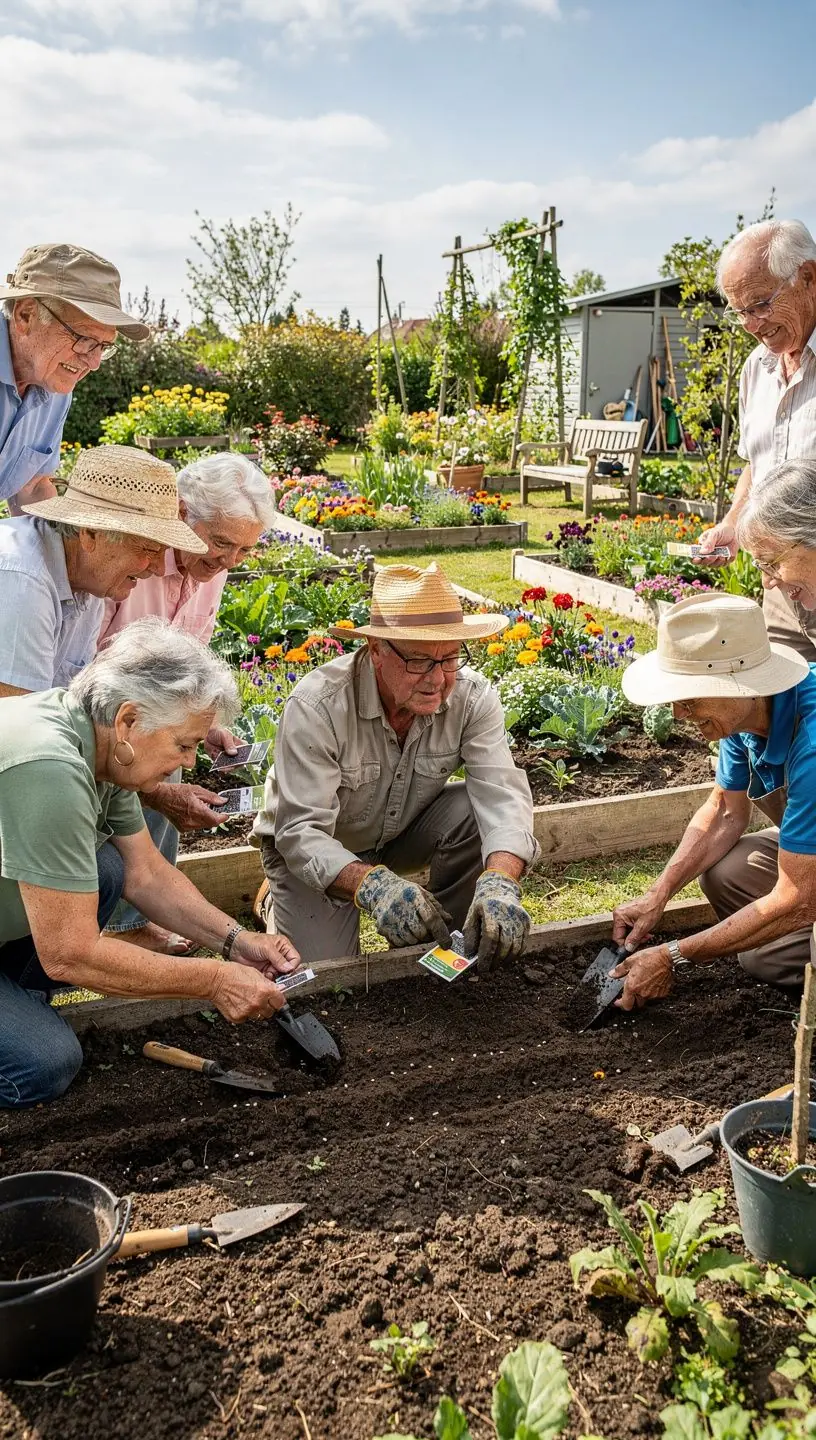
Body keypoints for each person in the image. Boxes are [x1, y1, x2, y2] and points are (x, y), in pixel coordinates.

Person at [0, 617, 300, 1109]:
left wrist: (236, 942)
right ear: (128, 720)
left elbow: (147, 873)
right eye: (183, 745)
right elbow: (69, 953)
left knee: (108, 868)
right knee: (44, 1063)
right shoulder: (50, 769)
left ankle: (15, 1001)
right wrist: (214, 980)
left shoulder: (102, 748)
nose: (188, 763)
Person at [253, 562, 539, 971]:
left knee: (475, 813)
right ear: (376, 651)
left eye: (450, 658)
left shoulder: (473, 698)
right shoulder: (317, 706)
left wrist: (501, 882)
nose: (437, 679)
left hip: (400, 830)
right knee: (321, 976)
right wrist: (373, 886)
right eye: (420, 661)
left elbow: (503, 796)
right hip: (315, 845)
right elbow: (301, 832)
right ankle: (274, 899)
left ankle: (447, 937)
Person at [97, 452, 276, 953]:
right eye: (221, 543)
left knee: (172, 763)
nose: (229, 562)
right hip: (103, 711)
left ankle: (138, 918)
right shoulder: (135, 563)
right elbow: (87, 666)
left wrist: (206, 724)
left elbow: (193, 657)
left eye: (244, 550)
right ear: (181, 513)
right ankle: (119, 920)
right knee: (155, 777)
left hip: (154, 709)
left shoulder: (212, 569)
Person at [608, 593, 816, 1012]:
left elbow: (799, 896)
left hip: (806, 886)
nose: (678, 713)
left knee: (770, 947)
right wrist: (658, 894)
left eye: (690, 696)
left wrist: (672, 955)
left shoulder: (811, 741)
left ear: (744, 685)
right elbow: (724, 811)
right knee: (730, 872)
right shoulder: (744, 716)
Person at [696, 218, 816, 657]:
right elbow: (757, 463)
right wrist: (733, 524)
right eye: (739, 311)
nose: (750, 324)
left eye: (760, 305)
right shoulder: (757, 369)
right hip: (782, 590)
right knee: (782, 693)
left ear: (808, 278)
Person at [0, 443, 206, 696]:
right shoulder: (25, 581)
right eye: (149, 549)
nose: (159, 567)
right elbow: (19, 714)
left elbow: (74, 701)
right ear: (90, 534)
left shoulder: (89, 581)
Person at [0, 243, 148, 510]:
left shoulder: (54, 388)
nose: (94, 363)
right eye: (84, 339)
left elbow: (33, 486)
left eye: (103, 346)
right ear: (25, 315)